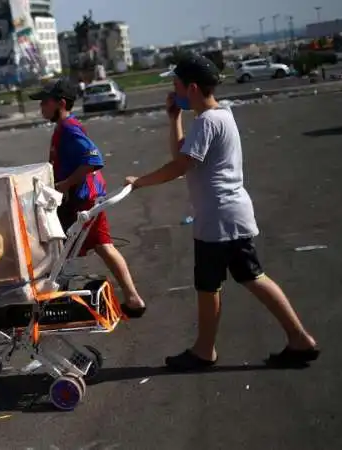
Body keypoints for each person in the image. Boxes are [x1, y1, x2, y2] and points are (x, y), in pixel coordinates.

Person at [124, 55, 320, 371]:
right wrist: (173, 119)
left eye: (175, 86)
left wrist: (139, 182)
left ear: (192, 87)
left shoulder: (207, 122)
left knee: (212, 284)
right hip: (226, 216)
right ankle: (298, 339)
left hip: (219, 220)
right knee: (249, 277)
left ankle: (205, 351)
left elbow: (180, 166)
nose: (173, 92)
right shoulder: (220, 116)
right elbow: (183, 155)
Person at [29, 78, 147, 318]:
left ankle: (132, 298)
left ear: (61, 103)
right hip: (77, 200)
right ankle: (132, 299)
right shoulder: (63, 128)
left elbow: (93, 159)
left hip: (83, 202)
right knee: (67, 245)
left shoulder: (69, 129)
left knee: (68, 245)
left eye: (45, 102)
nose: (41, 107)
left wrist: (65, 184)